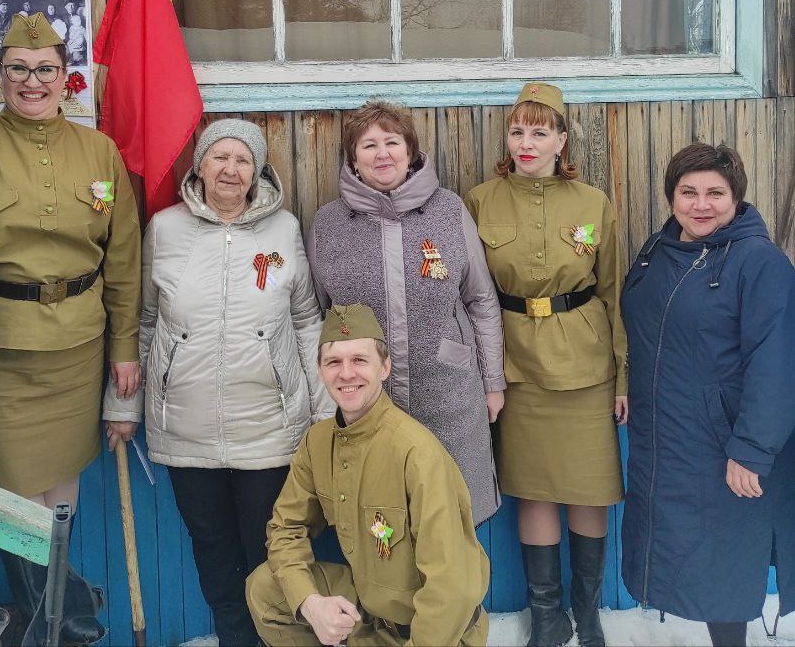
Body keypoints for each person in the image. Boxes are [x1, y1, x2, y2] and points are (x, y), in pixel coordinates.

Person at [0, 12, 141, 646]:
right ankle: (47, 617)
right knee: (6, 491)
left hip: (78, 347)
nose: (33, 81)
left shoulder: (99, 151)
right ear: (0, 77)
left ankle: (49, 619)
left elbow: (122, 260)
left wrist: (124, 349)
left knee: (60, 490)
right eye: (18, 70)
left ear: (68, 77)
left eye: (46, 69)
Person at [104, 118, 332, 647]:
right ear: (200, 166)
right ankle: (235, 638)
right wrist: (123, 404)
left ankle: (274, 637)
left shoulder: (283, 231)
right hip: (186, 425)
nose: (230, 169)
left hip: (269, 426)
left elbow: (304, 322)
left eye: (243, 160)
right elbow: (142, 322)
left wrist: (323, 416)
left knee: (267, 547)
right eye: (219, 158)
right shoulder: (164, 228)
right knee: (210, 545)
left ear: (257, 172)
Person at [621, 143, 795, 647]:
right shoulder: (657, 252)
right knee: (684, 554)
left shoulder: (758, 262)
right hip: (667, 436)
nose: (700, 204)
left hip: (725, 442)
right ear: (671, 196)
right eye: (688, 192)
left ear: (736, 198)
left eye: (715, 193)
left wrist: (752, 449)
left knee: (727, 564)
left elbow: (779, 362)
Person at [466, 82, 625, 647]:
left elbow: (612, 291)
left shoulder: (593, 202)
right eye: (518, 131)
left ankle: (588, 610)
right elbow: (469, 291)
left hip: (584, 361)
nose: (527, 142)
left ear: (562, 140)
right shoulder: (480, 199)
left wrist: (622, 375)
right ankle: (547, 617)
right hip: (513, 361)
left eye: (540, 131)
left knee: (588, 488)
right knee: (533, 490)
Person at [246, 304, 491, 647]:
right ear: (320, 369)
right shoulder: (318, 444)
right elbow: (285, 529)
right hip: (369, 619)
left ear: (385, 367)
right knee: (265, 589)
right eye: (334, 362)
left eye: (359, 360)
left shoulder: (416, 454)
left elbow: (453, 588)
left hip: (433, 634)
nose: (346, 374)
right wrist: (310, 604)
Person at [309, 99, 504, 527]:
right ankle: (386, 596)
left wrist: (493, 383)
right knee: (383, 519)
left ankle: (459, 597)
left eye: (392, 142)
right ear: (354, 160)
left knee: (452, 512)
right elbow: (319, 314)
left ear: (410, 151)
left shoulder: (449, 211)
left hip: (449, 392)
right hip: (365, 400)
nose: (382, 154)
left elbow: (481, 301)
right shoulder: (329, 224)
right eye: (368, 145)